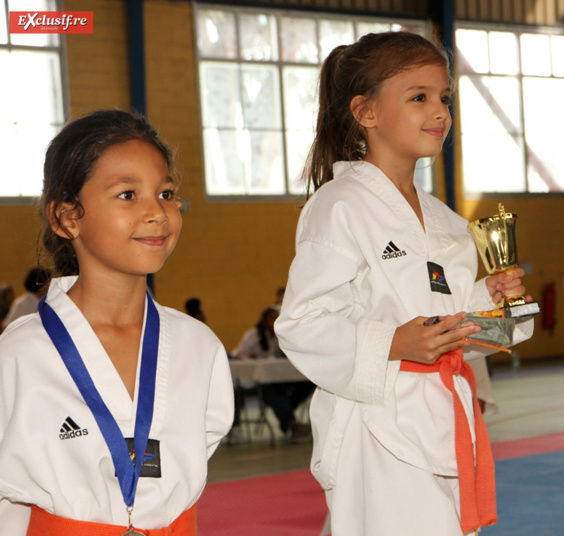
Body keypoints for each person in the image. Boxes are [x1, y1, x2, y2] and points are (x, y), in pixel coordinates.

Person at [275, 31, 533, 536]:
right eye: (419, 97)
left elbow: (461, 335)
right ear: (365, 112)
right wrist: (395, 342)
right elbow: (302, 324)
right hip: (377, 427)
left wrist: (501, 303)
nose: (438, 112)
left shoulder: (447, 222)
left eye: (444, 98)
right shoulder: (339, 205)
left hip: (446, 417)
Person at [0, 110, 233, 535]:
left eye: (165, 193)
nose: (158, 213)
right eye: (128, 194)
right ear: (67, 218)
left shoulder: (197, 346)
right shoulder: (20, 354)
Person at [231, 307, 314, 442]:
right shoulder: (254, 335)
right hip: (256, 381)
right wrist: (248, 356)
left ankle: (287, 418)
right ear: (264, 321)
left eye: (277, 317)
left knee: (307, 383)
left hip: (278, 378)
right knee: (271, 392)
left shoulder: (280, 335)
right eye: (271, 318)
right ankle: (292, 424)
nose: (275, 320)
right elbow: (235, 354)